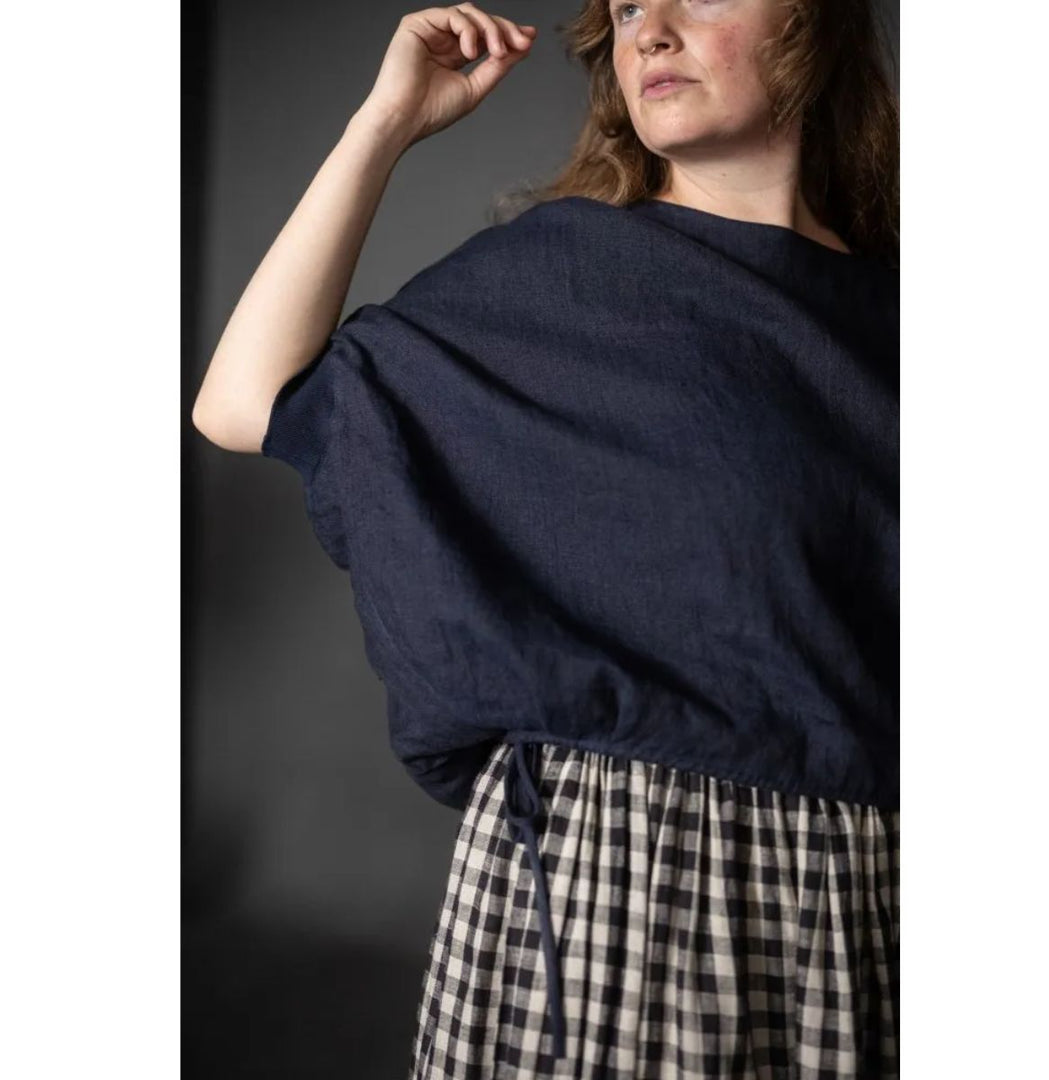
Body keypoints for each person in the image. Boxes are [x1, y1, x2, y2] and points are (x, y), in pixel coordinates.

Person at [192, 1, 899, 1076]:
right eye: (623, 10)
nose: (649, 29)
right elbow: (240, 402)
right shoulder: (563, 282)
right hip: (611, 876)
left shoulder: (914, 324)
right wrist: (384, 122)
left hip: (860, 895)